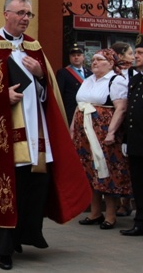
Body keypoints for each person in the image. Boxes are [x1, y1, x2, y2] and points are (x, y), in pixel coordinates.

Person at [0, 0, 91, 271]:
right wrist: (0, 96)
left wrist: (41, 74)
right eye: (20, 13)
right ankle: (4, 250)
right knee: (7, 187)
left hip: (35, 133)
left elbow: (49, 91)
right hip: (2, 134)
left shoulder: (34, 47)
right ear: (6, 14)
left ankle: (24, 235)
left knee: (33, 186)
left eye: (29, 14)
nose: (25, 19)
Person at [72, 48, 131, 229]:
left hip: (103, 132)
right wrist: (72, 128)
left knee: (107, 170)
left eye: (99, 59)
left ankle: (111, 215)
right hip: (85, 133)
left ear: (111, 63)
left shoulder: (116, 80)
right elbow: (80, 105)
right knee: (89, 170)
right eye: (94, 59)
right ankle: (95, 212)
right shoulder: (88, 80)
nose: (94, 62)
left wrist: (111, 132)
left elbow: (120, 108)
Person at [120, 41, 143, 236]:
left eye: (141, 53)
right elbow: (130, 112)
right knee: (138, 183)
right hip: (136, 141)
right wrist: (127, 139)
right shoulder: (135, 80)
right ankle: (140, 222)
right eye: (136, 52)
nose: (136, 56)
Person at [111, 41, 136, 216]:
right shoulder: (112, 73)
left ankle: (126, 202)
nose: (133, 57)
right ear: (119, 56)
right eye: (129, 54)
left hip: (128, 121)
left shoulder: (133, 73)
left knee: (127, 164)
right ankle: (120, 200)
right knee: (118, 163)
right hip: (113, 119)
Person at [56, 43, 91, 126]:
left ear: (83, 57)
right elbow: (59, 93)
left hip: (87, 110)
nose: (76, 57)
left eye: (79, 55)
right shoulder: (63, 73)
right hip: (71, 110)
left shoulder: (90, 73)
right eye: (73, 55)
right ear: (70, 58)